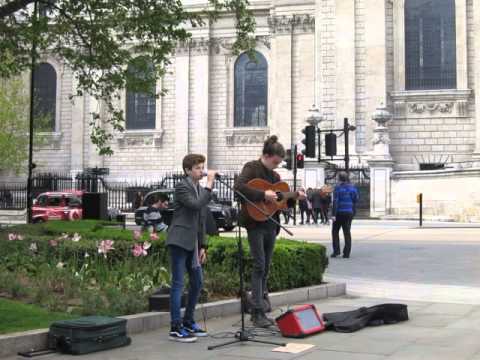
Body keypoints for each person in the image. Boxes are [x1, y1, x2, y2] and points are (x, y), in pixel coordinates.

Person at [235, 135, 305, 328]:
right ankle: (256, 312)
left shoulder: (275, 177)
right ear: (266, 155)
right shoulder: (252, 167)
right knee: (259, 265)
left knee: (265, 267)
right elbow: (239, 188)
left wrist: (295, 197)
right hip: (255, 222)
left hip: (270, 223)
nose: (276, 166)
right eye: (275, 162)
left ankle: (261, 305)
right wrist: (262, 194)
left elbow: (282, 203)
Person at [166, 154, 217, 342]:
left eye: (202, 167)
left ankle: (188, 321)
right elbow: (195, 205)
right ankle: (175, 326)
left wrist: (203, 245)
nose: (201, 170)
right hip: (179, 241)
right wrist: (209, 184)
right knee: (178, 284)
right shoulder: (182, 187)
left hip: (194, 243)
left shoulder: (198, 188)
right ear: (188, 170)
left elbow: (201, 220)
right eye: (197, 168)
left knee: (197, 282)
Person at [331, 171, 359, 259]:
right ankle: (346, 253)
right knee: (347, 233)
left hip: (339, 212)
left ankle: (336, 251)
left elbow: (335, 202)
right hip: (348, 212)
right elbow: (356, 199)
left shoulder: (337, 188)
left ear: (339, 178)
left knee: (335, 232)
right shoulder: (353, 188)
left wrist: (333, 214)